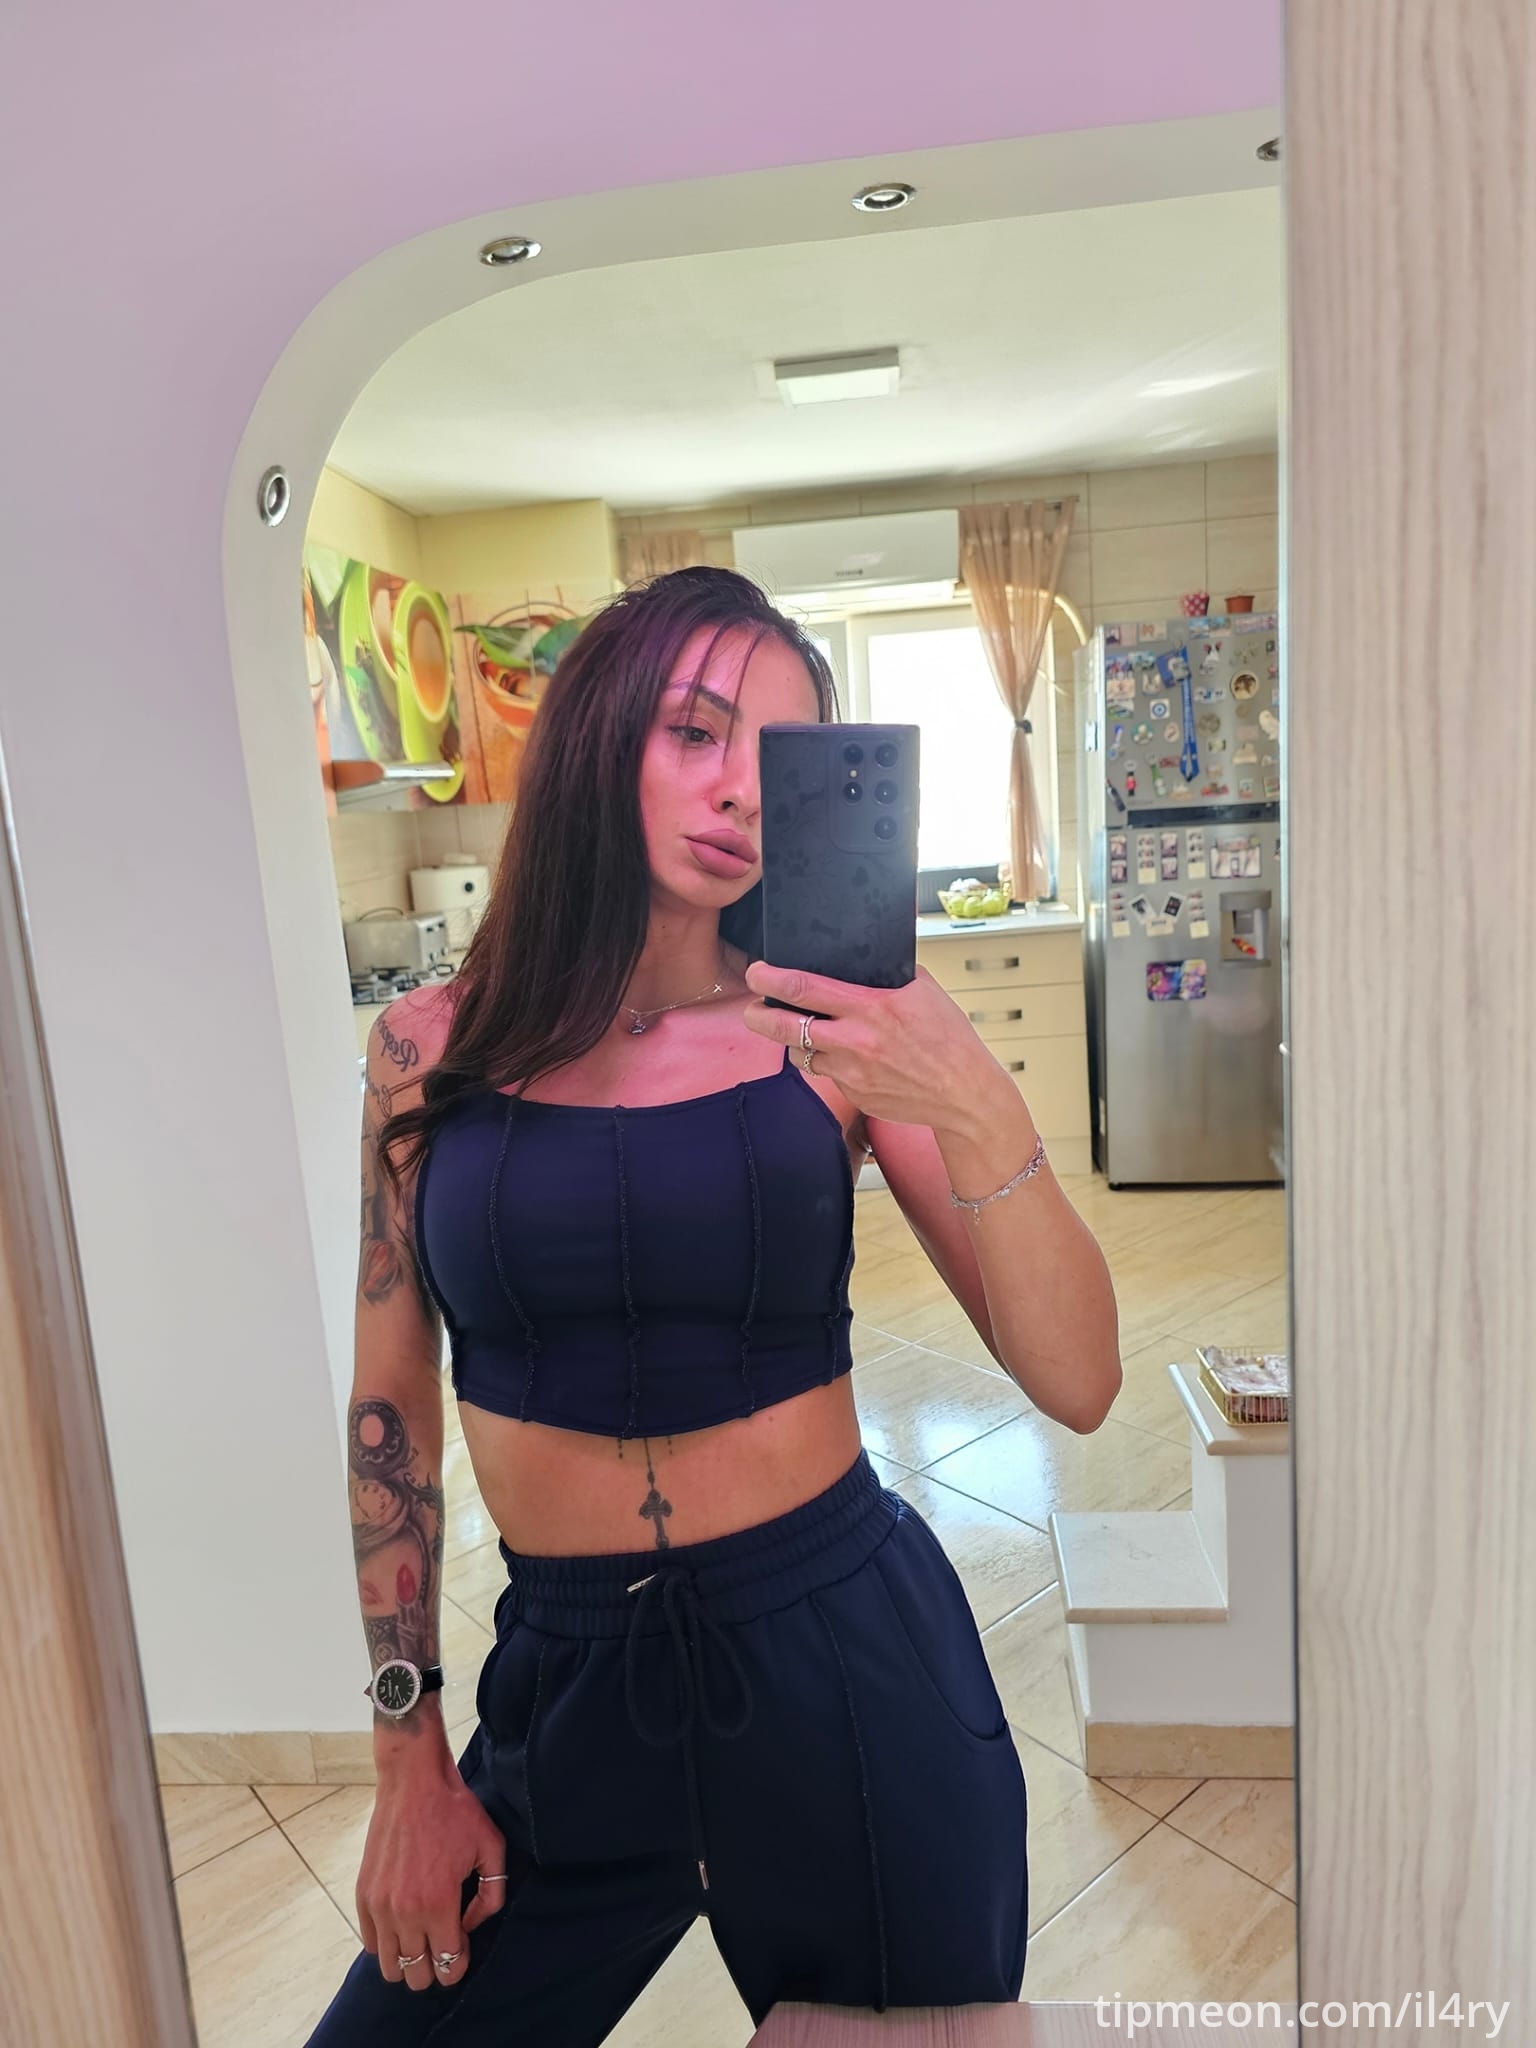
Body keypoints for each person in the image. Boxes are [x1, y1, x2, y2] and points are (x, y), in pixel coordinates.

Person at [305, 566, 1120, 2045]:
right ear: (595, 738)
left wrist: (976, 1103)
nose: (740, 787)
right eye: (692, 730)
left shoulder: (836, 1031)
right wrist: (407, 1758)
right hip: (567, 1686)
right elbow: (388, 1412)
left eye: (778, 752)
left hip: (843, 1664)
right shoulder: (427, 1051)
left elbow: (1080, 1381)